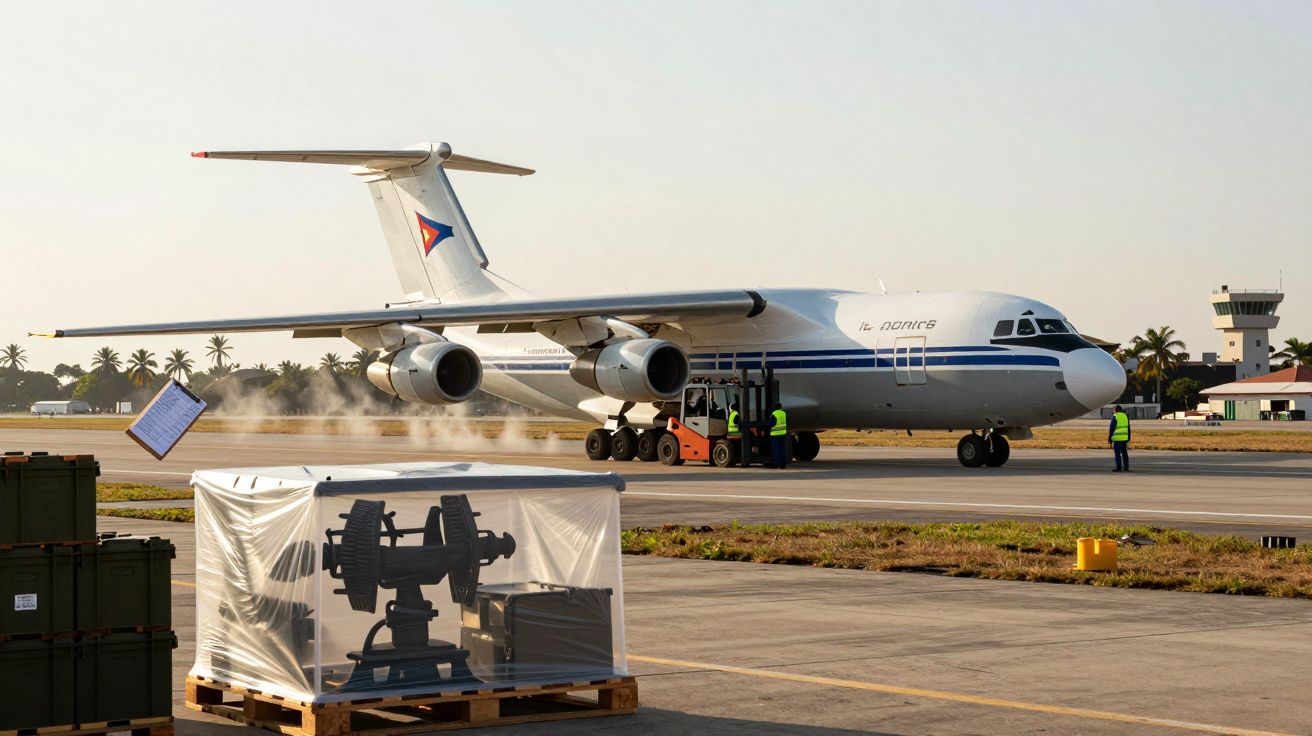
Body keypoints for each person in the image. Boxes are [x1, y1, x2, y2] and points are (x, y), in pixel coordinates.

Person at [1108, 404, 1131, 472]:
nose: (1113, 411)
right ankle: (1126, 467)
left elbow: (1112, 428)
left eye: (1113, 409)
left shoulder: (1115, 416)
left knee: (1117, 453)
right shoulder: (1125, 416)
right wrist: (1129, 437)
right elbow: (1128, 428)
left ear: (1115, 410)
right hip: (1124, 437)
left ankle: (1119, 467)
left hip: (1117, 438)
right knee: (1124, 453)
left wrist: (1109, 438)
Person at [769, 402, 789, 469]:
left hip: (775, 434)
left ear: (775, 407)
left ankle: (776, 464)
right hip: (783, 434)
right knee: (782, 449)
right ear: (781, 407)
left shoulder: (774, 414)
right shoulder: (783, 413)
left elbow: (771, 423)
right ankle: (783, 465)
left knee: (776, 450)